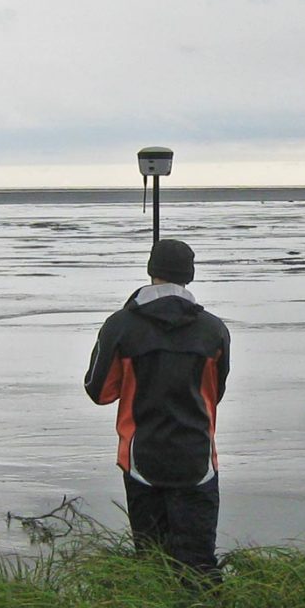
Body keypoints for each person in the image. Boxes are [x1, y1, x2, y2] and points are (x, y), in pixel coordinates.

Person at [83, 238, 230, 582]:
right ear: (189, 277)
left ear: (151, 272)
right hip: (197, 460)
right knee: (199, 565)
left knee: (151, 562)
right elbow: (215, 393)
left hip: (141, 460)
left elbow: (100, 391)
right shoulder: (213, 329)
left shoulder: (120, 325)